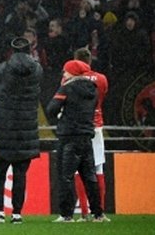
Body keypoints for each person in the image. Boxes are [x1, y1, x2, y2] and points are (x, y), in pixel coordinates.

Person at [0, 36, 42, 224]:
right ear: (30, 50)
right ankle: (17, 213)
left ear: (13, 51)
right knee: (20, 174)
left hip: (5, 129)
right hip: (26, 130)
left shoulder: (6, 69)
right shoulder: (37, 70)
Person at [46, 60, 105, 222]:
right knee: (90, 176)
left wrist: (61, 115)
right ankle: (98, 213)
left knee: (66, 176)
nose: (64, 74)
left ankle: (67, 214)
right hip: (86, 136)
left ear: (72, 72)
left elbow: (51, 109)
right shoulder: (93, 89)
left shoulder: (67, 88)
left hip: (69, 137)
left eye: (66, 71)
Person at [72, 47, 110, 221]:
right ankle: (99, 213)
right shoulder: (101, 78)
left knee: (78, 170)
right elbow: (102, 98)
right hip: (96, 126)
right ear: (89, 61)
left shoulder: (72, 80)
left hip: (78, 126)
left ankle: (85, 212)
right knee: (98, 168)